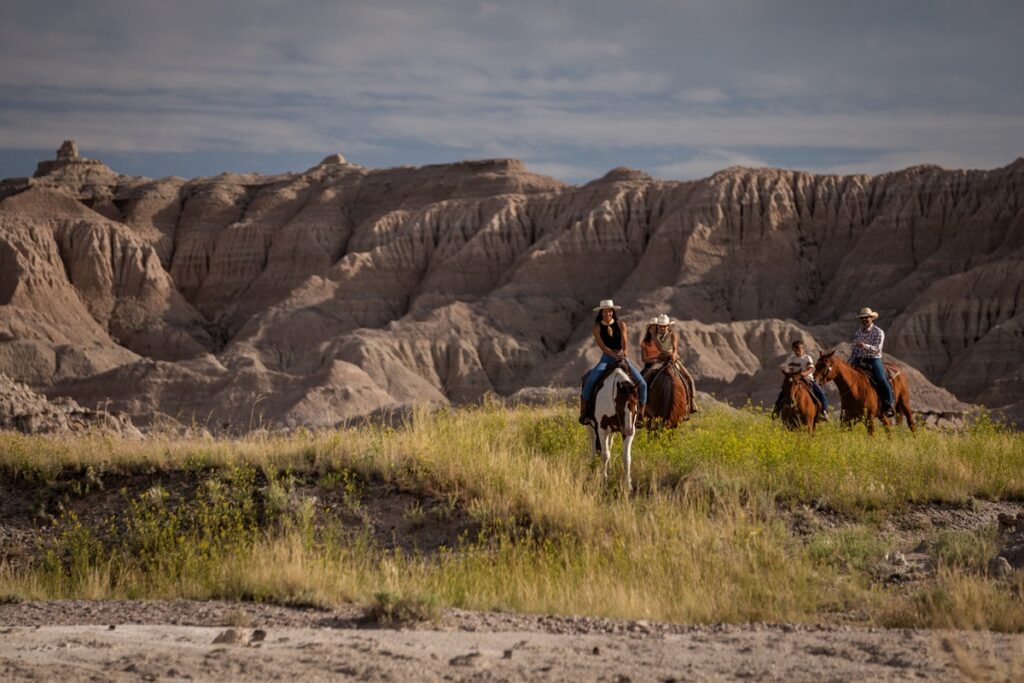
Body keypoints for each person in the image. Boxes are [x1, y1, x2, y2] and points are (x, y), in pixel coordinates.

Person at [579, 299, 648, 425]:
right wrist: (613, 355)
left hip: (622, 356)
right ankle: (585, 412)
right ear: (601, 313)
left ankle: (640, 414)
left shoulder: (621, 325)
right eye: (605, 312)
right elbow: (603, 347)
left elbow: (625, 343)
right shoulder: (597, 328)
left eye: (609, 312)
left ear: (613, 312)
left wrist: (624, 352)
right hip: (607, 357)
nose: (607, 314)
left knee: (642, 383)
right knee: (591, 380)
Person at [640, 313, 698, 413]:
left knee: (689, 378)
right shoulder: (655, 335)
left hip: (672, 357)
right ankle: (643, 402)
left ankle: (692, 402)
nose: (662, 328)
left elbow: (675, 348)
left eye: (664, 326)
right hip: (661, 358)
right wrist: (665, 353)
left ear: (668, 326)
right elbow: (659, 348)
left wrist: (673, 354)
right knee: (647, 375)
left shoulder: (672, 334)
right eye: (660, 326)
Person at [849, 307, 895, 417]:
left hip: (873, 359)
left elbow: (878, 349)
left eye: (867, 317)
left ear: (871, 318)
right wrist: (849, 362)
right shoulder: (858, 333)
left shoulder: (878, 332)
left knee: (881, 379)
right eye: (862, 318)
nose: (865, 320)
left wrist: (865, 346)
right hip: (859, 358)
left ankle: (888, 404)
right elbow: (854, 349)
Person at [772, 339, 829, 420]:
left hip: (807, 379)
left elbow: (810, 369)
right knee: (783, 391)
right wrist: (791, 375)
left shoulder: (807, 358)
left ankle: (824, 411)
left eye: (799, 350)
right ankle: (777, 409)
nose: (797, 352)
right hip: (795, 379)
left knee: (819, 392)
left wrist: (803, 374)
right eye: (795, 350)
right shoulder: (792, 358)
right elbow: (791, 370)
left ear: (803, 349)